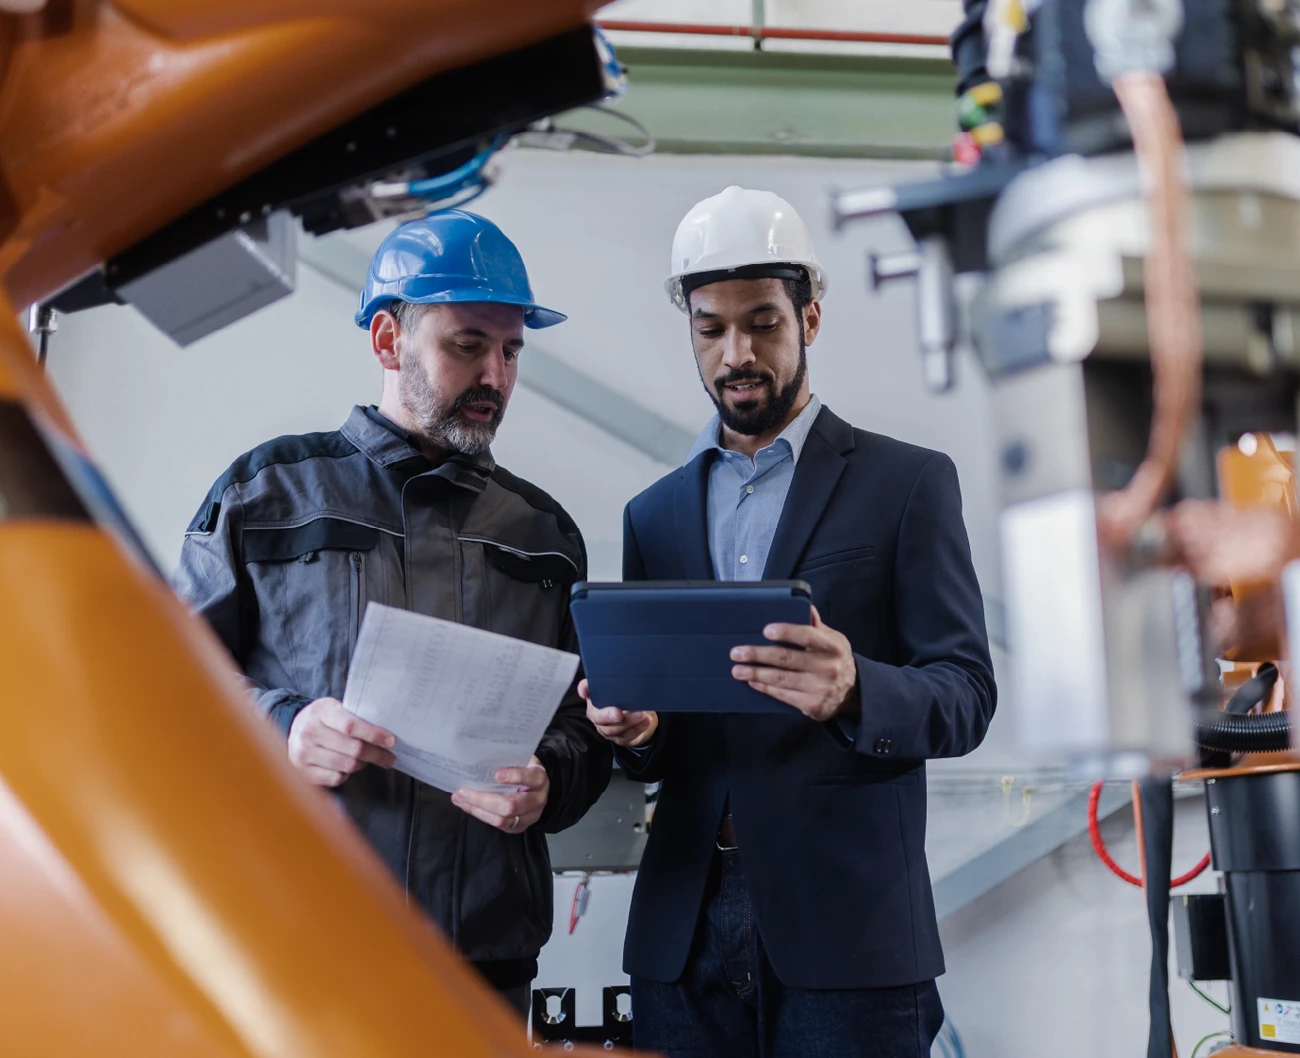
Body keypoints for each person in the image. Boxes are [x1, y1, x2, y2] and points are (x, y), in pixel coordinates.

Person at [581, 186, 997, 1057]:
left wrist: (856, 690)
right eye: (711, 328)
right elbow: (662, 740)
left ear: (809, 315)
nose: (737, 352)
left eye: (763, 321)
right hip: (684, 933)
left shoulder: (907, 485)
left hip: (847, 931)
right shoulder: (652, 515)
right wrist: (637, 730)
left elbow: (964, 696)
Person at [176, 210, 612, 1016]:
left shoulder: (544, 536)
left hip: (484, 963)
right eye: (466, 345)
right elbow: (164, 691)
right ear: (387, 340)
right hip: (300, 952)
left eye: (511, 350)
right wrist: (282, 726)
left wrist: (549, 784)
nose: (496, 376)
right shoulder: (266, 495)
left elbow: (586, 727)